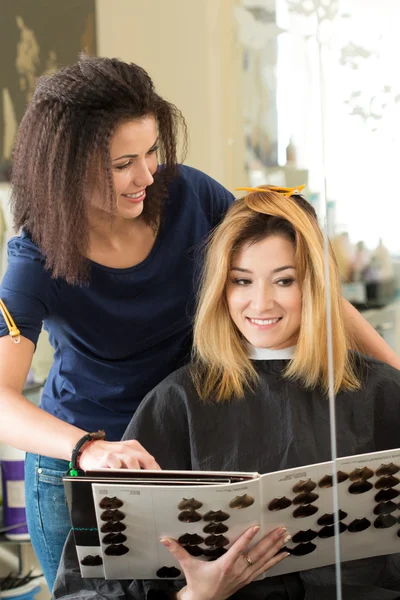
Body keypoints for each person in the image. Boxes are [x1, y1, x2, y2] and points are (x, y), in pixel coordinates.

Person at [0, 54, 398, 591]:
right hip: (87, 457)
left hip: (194, 436)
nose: (146, 176)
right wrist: (89, 449)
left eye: (152, 153)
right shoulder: (35, 258)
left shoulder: (188, 194)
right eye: (122, 164)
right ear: (66, 166)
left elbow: (293, 270)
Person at [53, 187, 400, 600]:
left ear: (316, 286)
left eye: (284, 280)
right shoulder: (177, 402)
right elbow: (87, 589)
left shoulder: (380, 392)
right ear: (221, 287)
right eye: (242, 281)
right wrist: (195, 596)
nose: (261, 302)